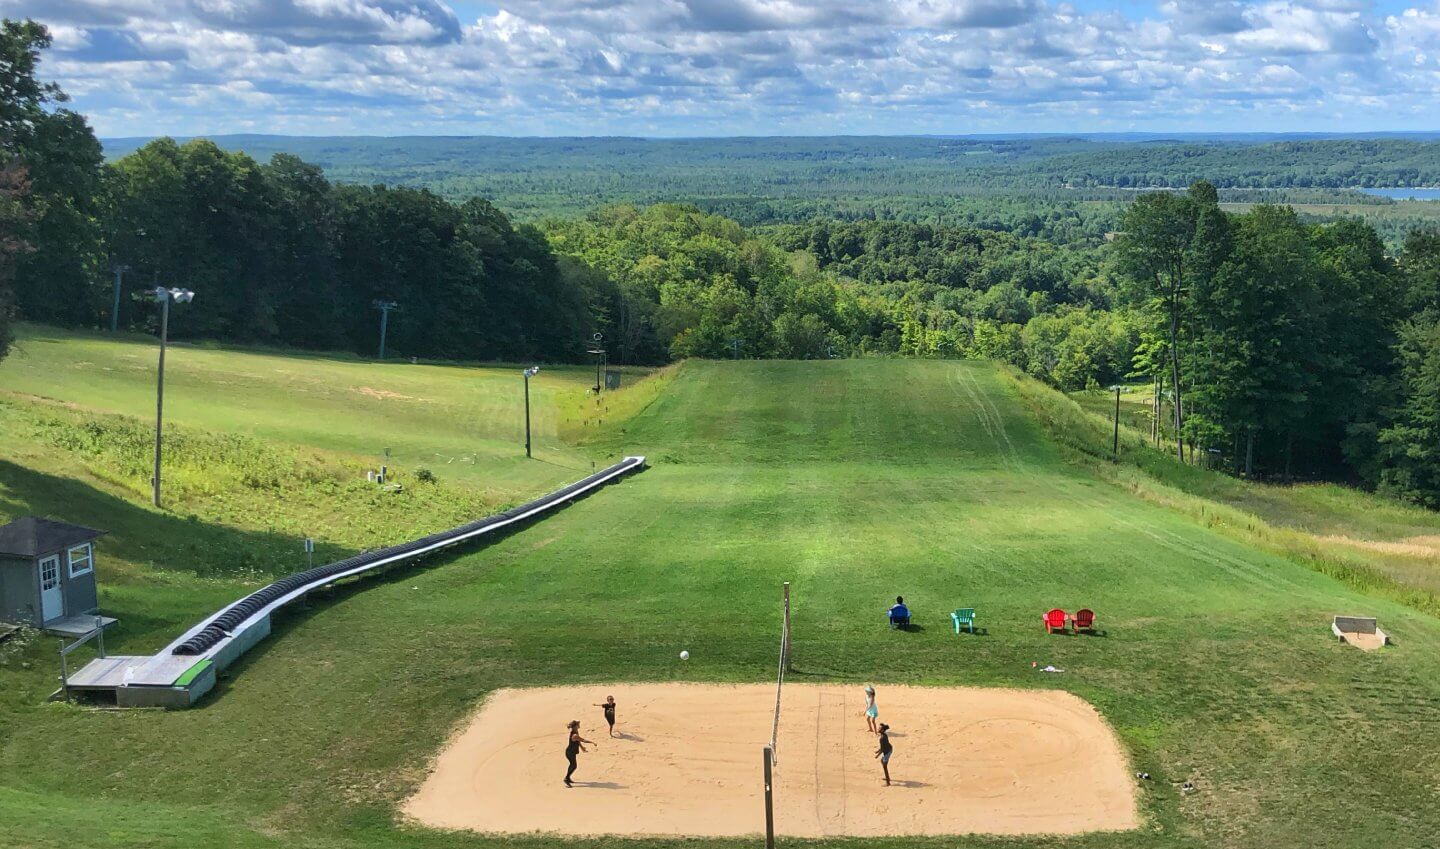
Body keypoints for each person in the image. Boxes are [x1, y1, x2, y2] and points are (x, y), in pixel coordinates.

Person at [564, 720, 594, 786]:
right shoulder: (574, 735)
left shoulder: (576, 732)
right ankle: (566, 778)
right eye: (578, 724)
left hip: (572, 752)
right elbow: (583, 740)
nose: (579, 725)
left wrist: (582, 748)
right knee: (573, 765)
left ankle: (568, 778)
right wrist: (592, 742)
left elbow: (578, 741)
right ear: (575, 726)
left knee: (573, 765)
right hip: (570, 752)